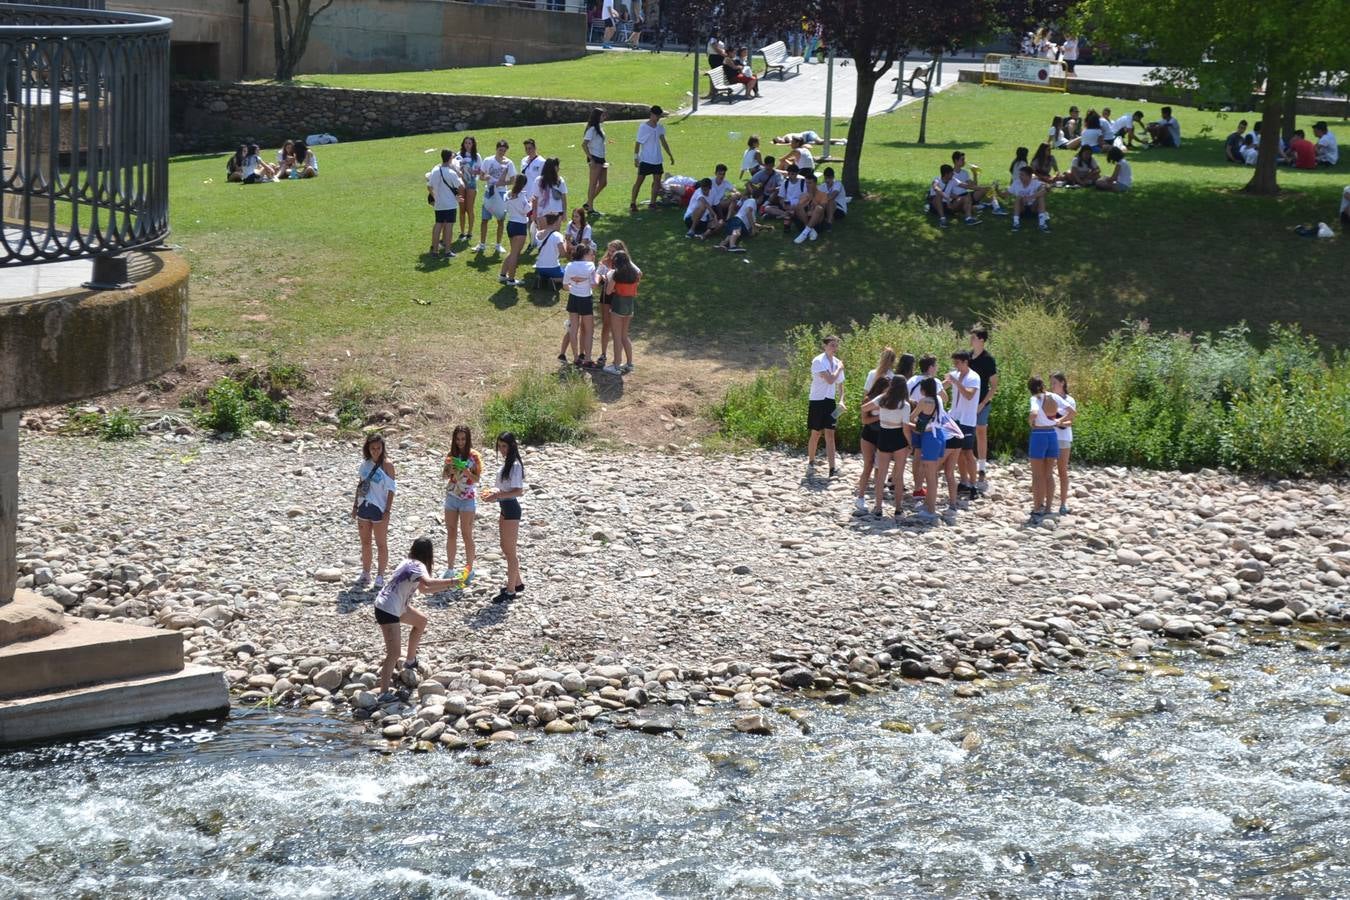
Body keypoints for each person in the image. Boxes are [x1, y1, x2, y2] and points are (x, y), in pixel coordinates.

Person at [373, 538, 458, 702]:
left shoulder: (407, 562)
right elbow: (429, 582)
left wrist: (450, 586)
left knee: (421, 621)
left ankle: (410, 661)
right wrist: (454, 581)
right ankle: (383, 692)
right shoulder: (419, 566)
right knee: (394, 653)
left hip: (393, 605)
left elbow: (424, 589)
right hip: (388, 609)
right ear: (428, 554)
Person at [480, 433, 526, 604]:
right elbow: (505, 489)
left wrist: (497, 496)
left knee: (510, 551)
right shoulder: (507, 463)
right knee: (505, 547)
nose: (501, 449)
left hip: (511, 508)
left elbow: (518, 491)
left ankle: (510, 590)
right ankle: (518, 582)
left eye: (504, 446)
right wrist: (494, 494)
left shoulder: (515, 465)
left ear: (512, 445)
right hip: (505, 508)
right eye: (500, 446)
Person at [853, 347, 896, 513]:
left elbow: (866, 396)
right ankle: (864, 497)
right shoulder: (891, 378)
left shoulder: (873, 374)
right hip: (875, 429)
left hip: (879, 430)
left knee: (872, 465)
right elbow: (866, 405)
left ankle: (871, 499)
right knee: (874, 466)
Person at [353, 433, 396, 589]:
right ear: (368, 449)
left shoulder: (388, 466)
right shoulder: (365, 465)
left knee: (381, 543)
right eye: (373, 448)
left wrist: (388, 510)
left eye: (378, 448)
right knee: (365, 542)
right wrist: (355, 506)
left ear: (382, 448)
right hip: (364, 506)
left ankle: (380, 575)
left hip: (379, 508)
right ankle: (366, 572)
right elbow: (360, 485)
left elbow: (392, 489)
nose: (376, 451)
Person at [864, 376, 910, 518]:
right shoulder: (904, 405)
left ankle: (878, 507)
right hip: (898, 437)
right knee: (899, 475)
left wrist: (879, 411)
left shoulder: (882, 399)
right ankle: (898, 508)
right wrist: (910, 443)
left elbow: (864, 407)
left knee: (881, 474)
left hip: (884, 435)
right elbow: (905, 428)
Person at [441, 425, 482, 583]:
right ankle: (450, 568)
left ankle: (469, 569)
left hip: (467, 497)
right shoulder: (451, 455)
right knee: (451, 532)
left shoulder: (474, 456)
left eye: (463, 439)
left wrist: (467, 472)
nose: (460, 442)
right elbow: (444, 475)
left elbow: (477, 478)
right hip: (452, 495)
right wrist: (450, 470)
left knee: (466, 534)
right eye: (458, 439)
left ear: (468, 439)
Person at [908, 376, 945, 523]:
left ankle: (931, 510)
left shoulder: (924, 401)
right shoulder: (938, 399)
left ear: (923, 390)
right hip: (939, 436)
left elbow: (912, 417)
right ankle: (929, 504)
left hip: (929, 437)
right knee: (933, 474)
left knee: (929, 476)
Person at [944, 351, 981, 499]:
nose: (955, 366)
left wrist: (957, 382)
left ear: (965, 362)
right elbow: (943, 386)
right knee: (956, 451)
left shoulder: (974, 377)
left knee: (968, 452)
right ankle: (964, 481)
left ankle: (973, 484)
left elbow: (969, 395)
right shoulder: (955, 374)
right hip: (954, 418)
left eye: (958, 363)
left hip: (967, 419)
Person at [807, 335, 843, 477]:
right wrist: (839, 368)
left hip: (830, 401)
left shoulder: (836, 362)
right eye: (832, 345)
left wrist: (841, 400)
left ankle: (832, 468)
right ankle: (811, 462)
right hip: (817, 400)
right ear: (825, 346)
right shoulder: (818, 361)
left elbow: (840, 384)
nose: (834, 348)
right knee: (816, 433)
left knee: (830, 433)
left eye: (836, 345)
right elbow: (830, 380)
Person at [1027, 377, 1060, 522]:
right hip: (1052, 433)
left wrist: (1030, 422)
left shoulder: (1035, 398)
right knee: (1049, 474)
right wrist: (1058, 420)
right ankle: (1048, 507)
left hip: (1039, 434)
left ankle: (1037, 507)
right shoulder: (1053, 396)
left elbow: (1034, 413)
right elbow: (1071, 411)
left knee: (1037, 475)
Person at [968, 328, 997, 489]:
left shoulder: (988, 359)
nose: (970, 340)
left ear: (981, 340)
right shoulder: (967, 357)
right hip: (966, 402)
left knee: (980, 431)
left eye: (973, 337)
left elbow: (993, 386)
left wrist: (982, 404)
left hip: (982, 402)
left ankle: (982, 467)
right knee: (965, 432)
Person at [630, 105, 674, 213]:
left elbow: (663, 141)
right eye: (657, 116)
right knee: (639, 181)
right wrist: (636, 158)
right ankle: (633, 203)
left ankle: (653, 203)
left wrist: (670, 154)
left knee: (657, 181)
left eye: (660, 116)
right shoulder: (643, 127)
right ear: (652, 115)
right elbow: (638, 143)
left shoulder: (660, 127)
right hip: (645, 159)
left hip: (657, 159)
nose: (658, 118)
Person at [603, 249, 640, 374]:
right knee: (624, 336)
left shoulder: (615, 274)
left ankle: (616, 366)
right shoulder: (634, 273)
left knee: (617, 337)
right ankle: (629, 364)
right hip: (629, 306)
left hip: (618, 306)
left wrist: (612, 286)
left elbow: (608, 291)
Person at [477, 139, 517, 254]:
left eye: (504, 151)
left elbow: (513, 180)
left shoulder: (509, 163)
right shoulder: (488, 160)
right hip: (489, 192)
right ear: (496, 149)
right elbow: (481, 176)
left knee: (501, 220)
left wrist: (502, 183)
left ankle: (498, 245)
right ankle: (482, 244)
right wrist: (487, 178)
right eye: (500, 150)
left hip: (501, 193)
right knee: (484, 219)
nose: (502, 153)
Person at [563, 243, 597, 367]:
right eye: (590, 254)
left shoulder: (569, 265)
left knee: (573, 329)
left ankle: (576, 357)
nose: (592, 256)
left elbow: (565, 286)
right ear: (585, 254)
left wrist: (574, 284)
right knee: (589, 330)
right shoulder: (591, 265)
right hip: (586, 299)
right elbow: (593, 284)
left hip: (573, 298)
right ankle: (587, 358)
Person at [426, 148, 463, 259]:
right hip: (450, 204)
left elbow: (429, 186)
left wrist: (435, 197)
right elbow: (461, 186)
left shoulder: (436, 170)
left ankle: (435, 250)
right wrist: (458, 196)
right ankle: (447, 251)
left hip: (439, 204)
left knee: (438, 224)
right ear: (450, 158)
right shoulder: (451, 172)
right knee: (449, 227)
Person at [498, 174, 533, 286]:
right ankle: (511, 279)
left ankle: (503, 275)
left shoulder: (508, 194)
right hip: (519, 225)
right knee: (515, 254)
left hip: (511, 224)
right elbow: (525, 211)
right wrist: (532, 203)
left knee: (512, 251)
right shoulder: (521, 196)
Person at [1050, 372, 1076, 515]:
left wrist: (1058, 422)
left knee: (1062, 471)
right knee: (1047, 470)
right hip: (1050, 436)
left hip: (1064, 437)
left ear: (1062, 383)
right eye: (1051, 383)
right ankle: (1047, 501)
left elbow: (1070, 421)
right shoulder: (1050, 398)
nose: (1052, 386)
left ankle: (1063, 503)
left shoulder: (1070, 400)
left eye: (1054, 383)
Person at [1007, 164, 1051, 232]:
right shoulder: (1016, 183)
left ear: (1029, 176)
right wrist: (997, 190)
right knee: (1018, 197)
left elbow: (1047, 188)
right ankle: (1016, 223)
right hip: (1022, 209)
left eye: (1022, 175)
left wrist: (1031, 197)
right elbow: (1004, 195)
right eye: (1020, 175)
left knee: (1041, 197)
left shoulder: (1035, 182)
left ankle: (1042, 224)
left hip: (1033, 208)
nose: (1020, 177)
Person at [582, 108, 609, 215]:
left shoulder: (599, 128)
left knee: (603, 183)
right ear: (597, 116)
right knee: (593, 183)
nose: (604, 118)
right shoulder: (592, 129)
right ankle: (591, 208)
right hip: (595, 159)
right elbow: (584, 145)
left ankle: (588, 203)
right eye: (602, 116)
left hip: (601, 158)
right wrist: (591, 158)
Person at [455, 136, 480, 243]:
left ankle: (469, 232)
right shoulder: (458, 155)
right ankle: (462, 232)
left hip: (471, 184)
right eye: (466, 143)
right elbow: (454, 169)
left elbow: (480, 171)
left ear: (473, 144)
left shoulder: (477, 156)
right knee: (462, 209)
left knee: (469, 208)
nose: (467, 145)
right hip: (460, 184)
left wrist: (472, 171)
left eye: (470, 143)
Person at [530, 157, 568, 226]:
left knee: (555, 235)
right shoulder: (539, 180)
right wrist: (534, 213)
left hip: (557, 212)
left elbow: (563, 198)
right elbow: (535, 198)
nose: (559, 168)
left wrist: (564, 213)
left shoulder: (560, 180)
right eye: (557, 166)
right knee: (544, 235)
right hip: (542, 213)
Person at [534, 212, 566, 292]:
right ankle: (554, 280)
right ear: (556, 222)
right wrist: (565, 242)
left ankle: (542, 278)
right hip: (553, 268)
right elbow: (563, 253)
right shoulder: (557, 235)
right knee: (568, 275)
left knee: (545, 273)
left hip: (539, 267)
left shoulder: (538, 234)